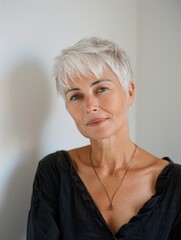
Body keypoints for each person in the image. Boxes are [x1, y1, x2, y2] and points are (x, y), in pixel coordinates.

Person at [27, 37, 181, 240]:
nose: (90, 105)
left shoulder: (176, 184)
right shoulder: (53, 172)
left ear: (129, 92)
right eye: (76, 96)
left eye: (101, 89)